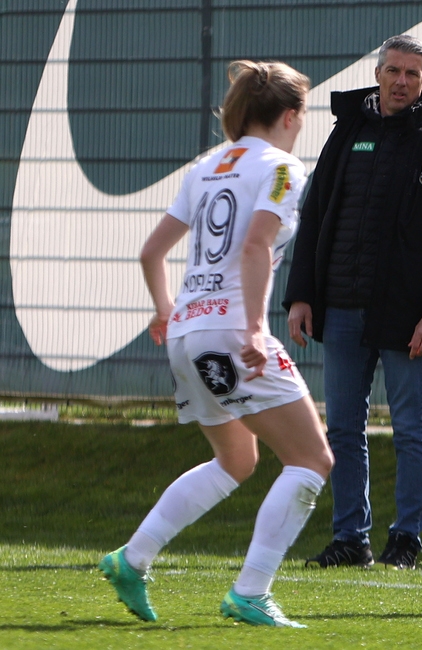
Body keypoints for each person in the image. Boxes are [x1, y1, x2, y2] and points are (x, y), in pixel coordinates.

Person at [98, 60, 334, 628]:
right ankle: (251, 593)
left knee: (235, 458)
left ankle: (132, 558)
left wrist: (163, 311)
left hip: (187, 330)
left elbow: (152, 252)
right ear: (288, 115)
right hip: (231, 330)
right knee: (311, 459)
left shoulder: (206, 166)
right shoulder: (281, 167)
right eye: (302, 114)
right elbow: (256, 246)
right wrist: (254, 326)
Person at [284, 34, 422, 571]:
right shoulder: (350, 130)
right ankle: (351, 538)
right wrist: (301, 296)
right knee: (342, 427)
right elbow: (316, 214)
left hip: (409, 315)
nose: (401, 81)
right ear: (377, 73)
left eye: (412, 74)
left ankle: (406, 541)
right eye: (393, 70)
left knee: (411, 428)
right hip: (342, 307)